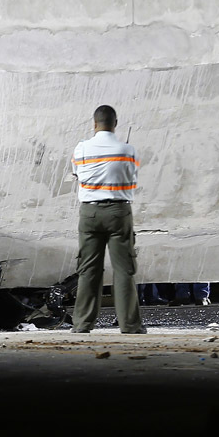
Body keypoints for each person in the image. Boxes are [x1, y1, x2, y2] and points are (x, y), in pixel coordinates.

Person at [70, 105, 145, 334]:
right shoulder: (128, 150)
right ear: (115, 123)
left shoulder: (81, 149)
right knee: (124, 270)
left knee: (88, 270)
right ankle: (130, 325)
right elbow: (132, 177)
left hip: (90, 213)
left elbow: (76, 174)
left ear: (94, 124)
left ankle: (82, 324)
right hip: (119, 212)